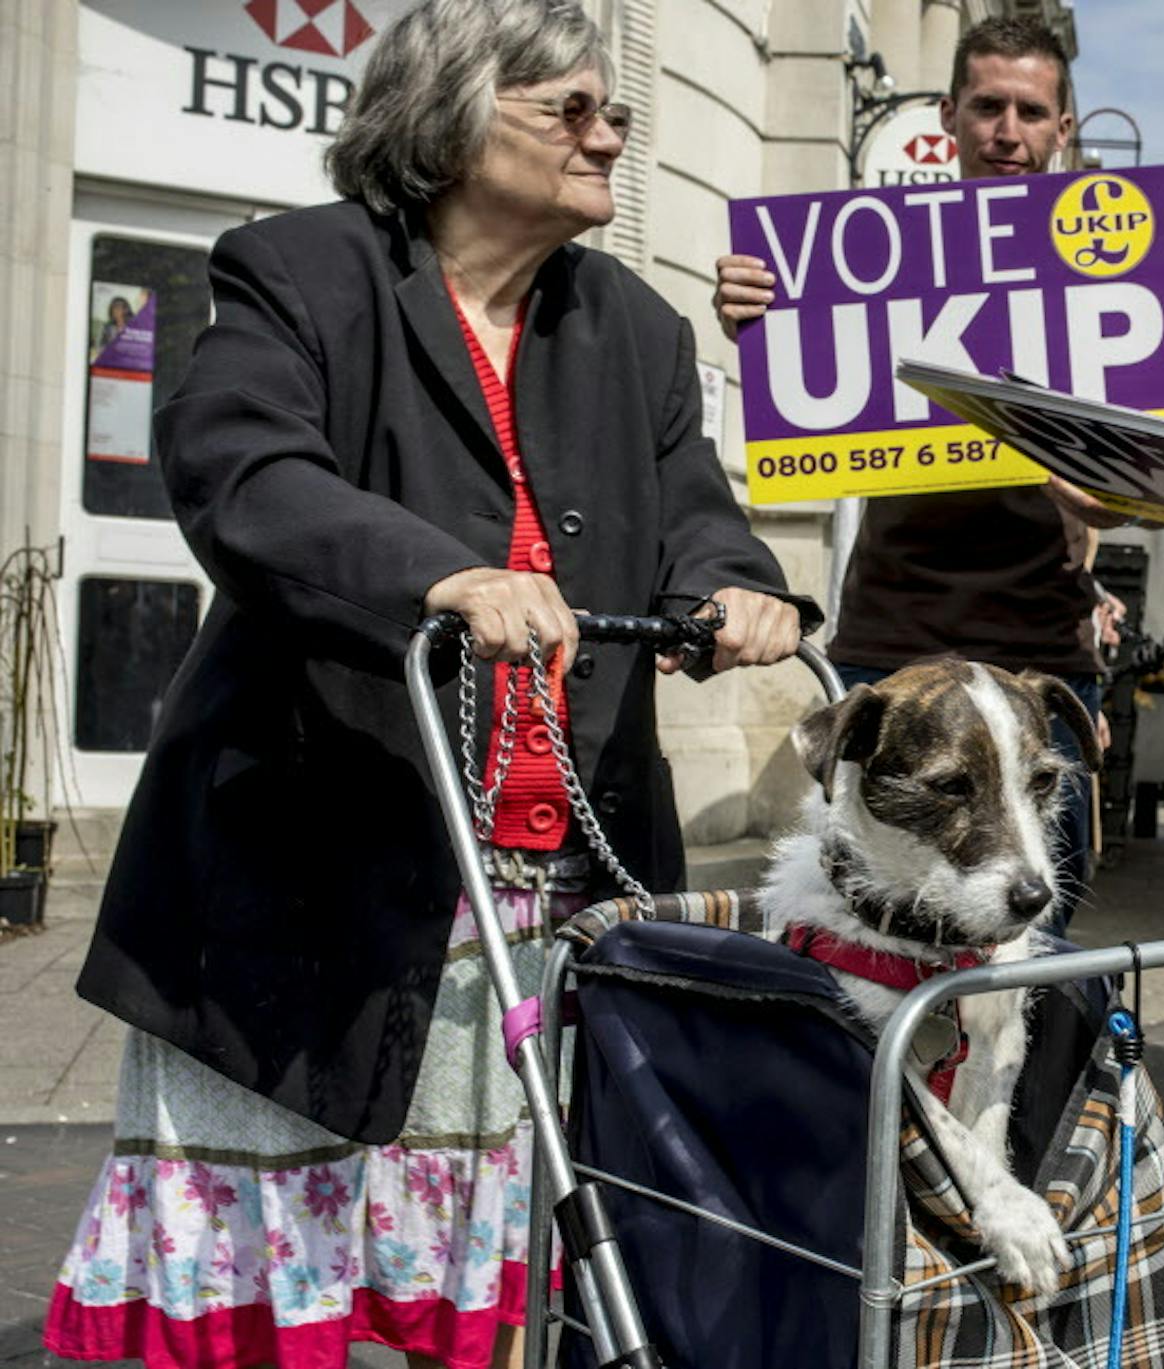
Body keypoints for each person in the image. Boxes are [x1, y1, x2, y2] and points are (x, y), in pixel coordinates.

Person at [44, 4, 814, 1365]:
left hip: (547, 887)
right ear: (455, 118)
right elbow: (245, 473)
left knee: (503, 1249)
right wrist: (441, 576)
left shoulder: (629, 322)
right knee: (282, 1258)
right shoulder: (300, 270)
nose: (608, 135)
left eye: (613, 113)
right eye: (570, 109)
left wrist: (741, 588)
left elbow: (698, 507)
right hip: (317, 864)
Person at [714, 16, 1113, 934]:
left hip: (1038, 645)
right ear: (950, 116)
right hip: (890, 640)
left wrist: (1110, 484)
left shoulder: (1104, 273)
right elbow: (806, 386)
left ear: (1063, 127)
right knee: (860, 925)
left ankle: (1011, 1084)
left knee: (1026, 931)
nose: (1007, 128)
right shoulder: (866, 256)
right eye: (987, 106)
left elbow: (1154, 502)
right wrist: (762, 321)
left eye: (1030, 110)